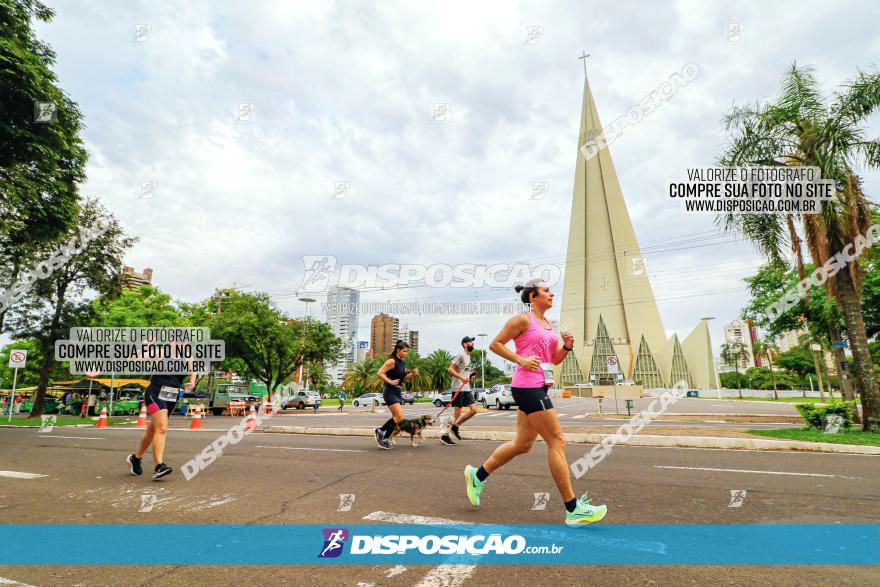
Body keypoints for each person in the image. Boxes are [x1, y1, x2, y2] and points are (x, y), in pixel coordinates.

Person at [462, 278, 608, 526]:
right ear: (533, 297)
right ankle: (573, 509)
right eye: (546, 291)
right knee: (557, 441)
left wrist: (568, 347)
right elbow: (495, 344)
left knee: (522, 444)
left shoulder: (548, 323)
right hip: (527, 386)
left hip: (539, 385)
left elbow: (553, 358)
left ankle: (477, 475)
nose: (552, 294)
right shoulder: (522, 320)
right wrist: (520, 360)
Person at [127, 338, 196, 480]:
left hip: (172, 396)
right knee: (162, 428)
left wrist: (192, 382)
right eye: (176, 341)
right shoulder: (160, 353)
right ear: (171, 342)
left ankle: (136, 458)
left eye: (182, 342)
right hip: (155, 394)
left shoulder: (188, 357)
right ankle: (159, 466)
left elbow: (193, 370)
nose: (179, 345)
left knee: (154, 430)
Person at [373, 340, 419, 450]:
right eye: (404, 351)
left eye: (407, 352)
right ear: (398, 350)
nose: (406, 353)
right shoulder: (391, 361)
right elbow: (379, 373)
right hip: (390, 391)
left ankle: (381, 432)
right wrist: (390, 381)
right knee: (400, 417)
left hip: (398, 391)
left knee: (397, 418)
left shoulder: (402, 363)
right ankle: (383, 435)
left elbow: (403, 379)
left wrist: (412, 375)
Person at [442, 336, 480, 445]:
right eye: (470, 342)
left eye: (472, 342)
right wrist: (461, 377)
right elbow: (450, 369)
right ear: (465, 344)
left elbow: (465, 371)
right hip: (458, 387)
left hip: (466, 387)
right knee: (457, 413)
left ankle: (456, 426)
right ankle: (445, 435)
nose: (472, 343)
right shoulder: (461, 355)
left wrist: (471, 374)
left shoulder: (468, 356)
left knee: (473, 410)